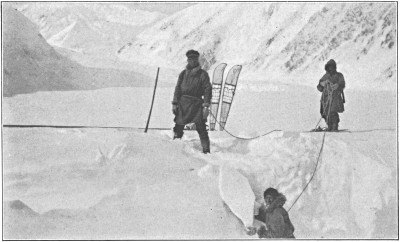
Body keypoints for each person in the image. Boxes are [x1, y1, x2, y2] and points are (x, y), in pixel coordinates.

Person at [172, 50, 212, 154]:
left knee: (201, 128)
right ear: (188, 60)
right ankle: (175, 149)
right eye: (190, 59)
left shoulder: (203, 74)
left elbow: (208, 90)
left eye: (194, 59)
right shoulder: (183, 74)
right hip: (183, 104)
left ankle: (206, 151)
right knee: (178, 126)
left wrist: (206, 106)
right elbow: (178, 89)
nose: (192, 61)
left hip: (196, 104)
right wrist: (175, 103)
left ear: (197, 60)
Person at [317, 59, 346, 131]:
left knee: (332, 112)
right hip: (325, 98)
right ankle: (329, 125)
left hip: (335, 97)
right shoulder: (325, 76)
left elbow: (342, 84)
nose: (330, 69)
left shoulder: (339, 75)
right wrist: (321, 84)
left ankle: (334, 126)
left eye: (332, 67)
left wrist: (337, 85)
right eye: (329, 67)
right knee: (323, 112)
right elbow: (319, 87)